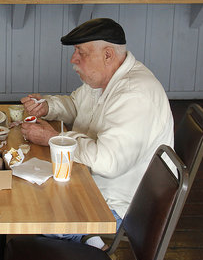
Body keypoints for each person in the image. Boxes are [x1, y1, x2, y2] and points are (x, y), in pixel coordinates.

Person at [20, 17, 174, 234]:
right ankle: (84, 244)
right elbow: (75, 105)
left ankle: (82, 245)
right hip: (90, 184)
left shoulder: (134, 94)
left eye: (81, 52)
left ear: (108, 54)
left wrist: (54, 139)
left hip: (115, 205)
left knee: (32, 214)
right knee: (29, 193)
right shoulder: (104, 79)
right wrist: (48, 106)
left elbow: (108, 162)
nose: (73, 59)